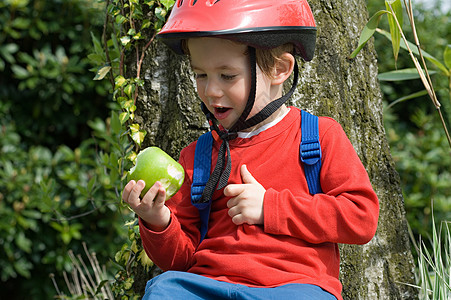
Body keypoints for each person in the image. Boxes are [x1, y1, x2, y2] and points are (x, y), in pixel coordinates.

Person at [121, 1, 379, 299]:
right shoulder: (198, 157)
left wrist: (271, 207)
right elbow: (181, 260)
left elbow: (361, 219)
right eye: (200, 75)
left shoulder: (318, 137)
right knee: (165, 290)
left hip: (291, 289)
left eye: (227, 76)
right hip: (208, 285)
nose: (211, 91)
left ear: (280, 69)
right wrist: (158, 221)